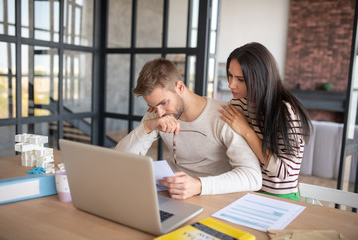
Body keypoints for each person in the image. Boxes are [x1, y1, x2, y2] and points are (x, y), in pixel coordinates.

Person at [115, 58, 262, 200]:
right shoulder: (157, 114)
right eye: (154, 106)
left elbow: (253, 177)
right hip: (171, 196)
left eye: (164, 103)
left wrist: (198, 185)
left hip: (213, 199)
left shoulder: (225, 116)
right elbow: (119, 160)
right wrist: (147, 127)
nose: (159, 112)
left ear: (180, 87)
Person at [219, 42, 311, 201]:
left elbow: (284, 172)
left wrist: (247, 131)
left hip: (280, 197)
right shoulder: (238, 104)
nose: (231, 84)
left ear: (260, 78)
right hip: (245, 190)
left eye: (240, 79)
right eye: (230, 75)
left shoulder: (285, 111)